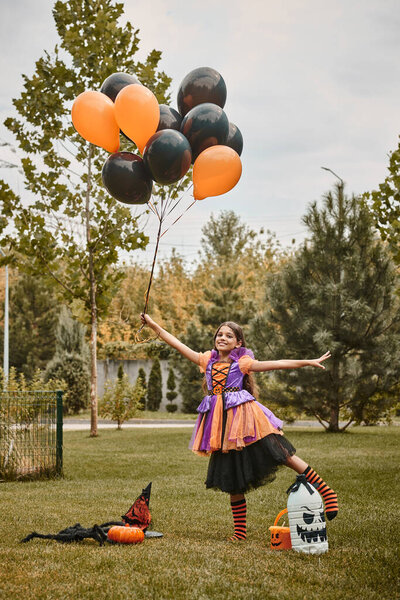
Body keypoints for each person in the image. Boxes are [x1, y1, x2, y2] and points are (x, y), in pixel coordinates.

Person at [140, 314, 338, 541]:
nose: (222, 338)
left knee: (280, 453)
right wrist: (153, 324)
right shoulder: (206, 361)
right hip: (221, 426)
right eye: (219, 334)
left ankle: (327, 492)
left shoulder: (241, 363)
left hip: (247, 418)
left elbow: (275, 364)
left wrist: (308, 361)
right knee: (231, 472)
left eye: (229, 335)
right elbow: (175, 342)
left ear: (238, 343)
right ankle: (240, 533)